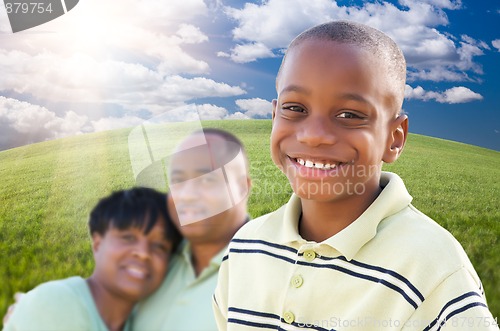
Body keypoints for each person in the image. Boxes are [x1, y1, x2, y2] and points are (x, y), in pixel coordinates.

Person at [213, 21, 498, 330]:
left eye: (349, 115)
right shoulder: (245, 246)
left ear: (395, 138)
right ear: (274, 116)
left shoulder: (434, 268)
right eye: (295, 108)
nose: (313, 136)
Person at [3, 187, 181, 331]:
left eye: (160, 246)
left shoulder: (133, 321)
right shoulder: (59, 305)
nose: (143, 252)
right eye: (128, 237)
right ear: (97, 243)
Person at [132, 128, 251, 330]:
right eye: (178, 181)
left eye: (207, 179)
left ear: (242, 188)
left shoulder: (270, 268)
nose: (186, 195)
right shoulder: (154, 261)